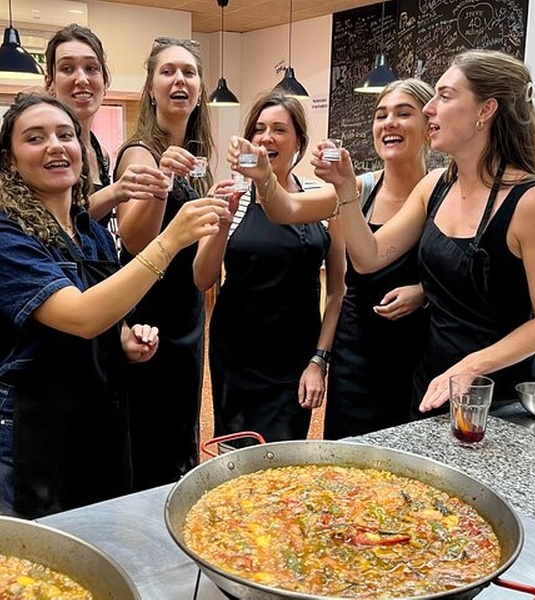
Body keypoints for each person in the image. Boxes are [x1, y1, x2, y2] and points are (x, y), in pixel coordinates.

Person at [313, 49, 535, 418]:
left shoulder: (533, 202)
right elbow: (369, 257)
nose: (429, 108)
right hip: (432, 384)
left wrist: (471, 366)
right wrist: (344, 187)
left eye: (445, 96)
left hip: (497, 397)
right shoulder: (436, 186)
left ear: (486, 110)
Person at [0, 93, 226, 518]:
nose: (54, 146)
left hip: (98, 420)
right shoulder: (8, 236)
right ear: (11, 161)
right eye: (35, 138)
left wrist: (126, 338)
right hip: (35, 431)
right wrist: (170, 240)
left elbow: (107, 320)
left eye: (65, 135)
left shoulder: (92, 233)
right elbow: (81, 317)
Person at [228, 80, 434, 438]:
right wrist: (263, 178)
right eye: (381, 115)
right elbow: (286, 209)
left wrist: (425, 291)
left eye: (403, 114)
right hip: (356, 349)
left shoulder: (442, 192)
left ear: (431, 126)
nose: (389, 123)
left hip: (416, 351)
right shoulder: (359, 188)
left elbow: (464, 275)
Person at [194, 89, 345, 443]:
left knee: (284, 456)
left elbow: (338, 291)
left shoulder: (321, 198)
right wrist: (223, 222)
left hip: (295, 355)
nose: (266, 138)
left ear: (298, 142)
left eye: (279, 129)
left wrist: (319, 360)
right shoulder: (230, 196)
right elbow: (202, 278)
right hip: (236, 355)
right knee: (236, 452)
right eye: (259, 129)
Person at [114, 37, 215, 490]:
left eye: (189, 73)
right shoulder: (139, 153)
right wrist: (164, 177)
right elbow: (135, 239)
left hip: (188, 313)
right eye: (168, 71)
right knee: (149, 438)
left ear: (200, 90)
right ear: (151, 88)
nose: (180, 80)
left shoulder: (196, 157)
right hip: (148, 315)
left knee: (180, 433)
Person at [45, 24, 168, 226]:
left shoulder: (100, 154)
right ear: (50, 83)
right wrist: (116, 191)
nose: (81, 79)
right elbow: (53, 223)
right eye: (67, 69)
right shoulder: (46, 150)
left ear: (105, 81)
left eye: (91, 68)